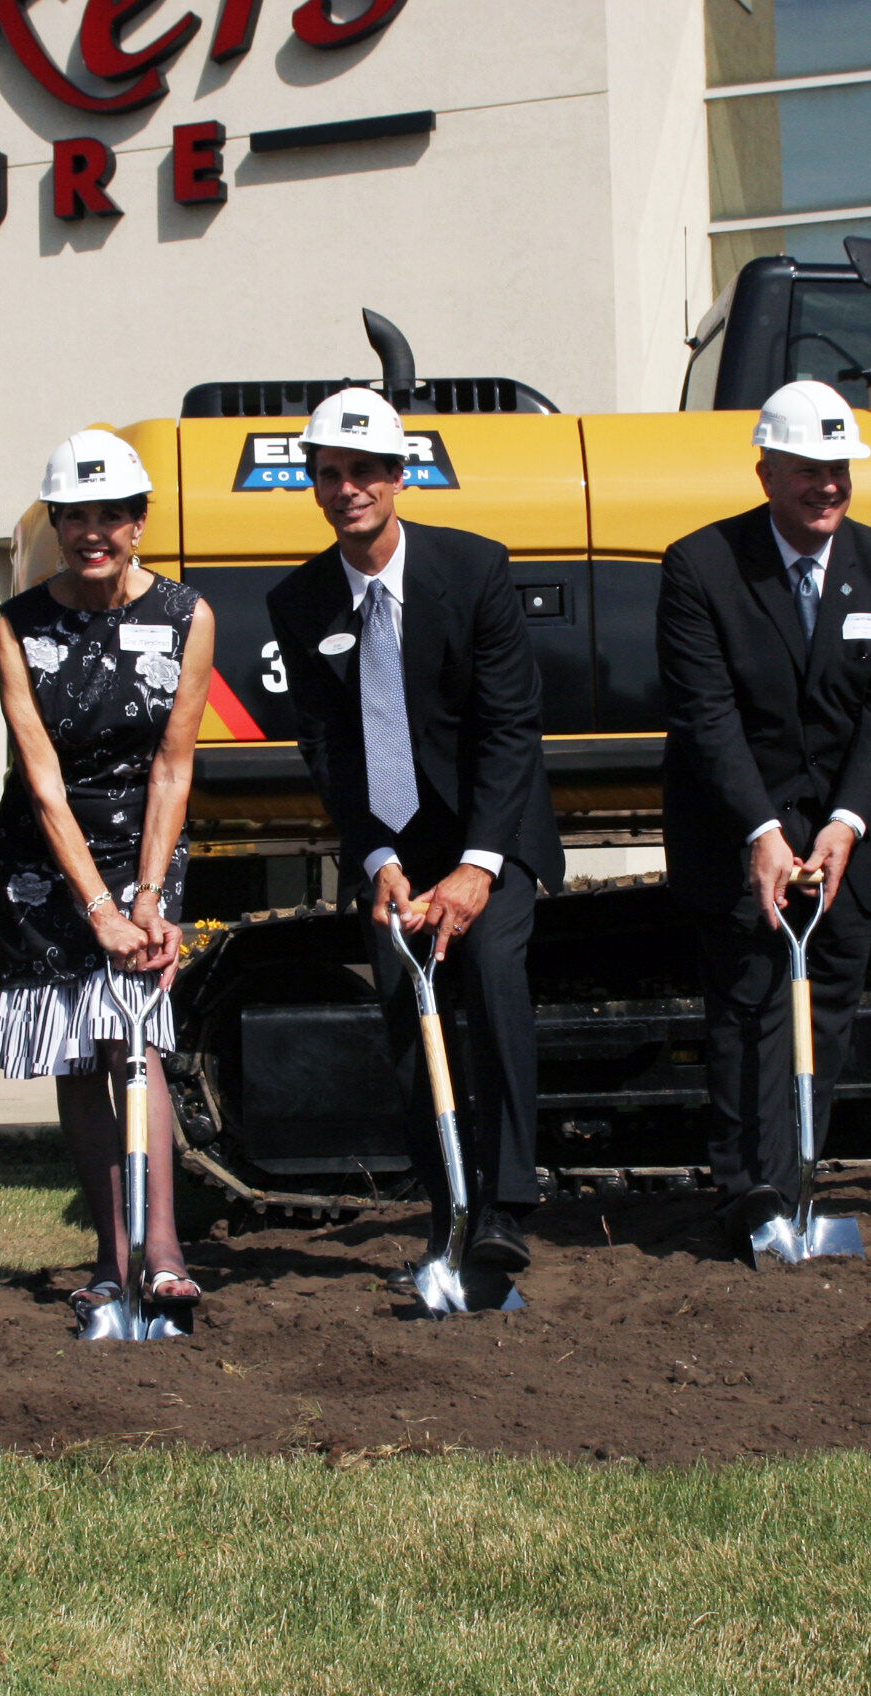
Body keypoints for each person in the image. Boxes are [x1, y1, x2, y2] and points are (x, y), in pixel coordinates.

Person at [266, 388, 564, 1276]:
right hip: (392, 848)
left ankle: (504, 1209)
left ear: (399, 477)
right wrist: (378, 856)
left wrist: (477, 867)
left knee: (496, 987)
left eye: (364, 471)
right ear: (316, 487)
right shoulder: (299, 600)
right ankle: (448, 1213)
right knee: (411, 1023)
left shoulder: (473, 572)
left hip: (492, 831)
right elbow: (325, 745)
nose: (347, 488)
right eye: (330, 474)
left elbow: (512, 726)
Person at [656, 380, 871, 1249]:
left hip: (846, 834)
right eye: (809, 471)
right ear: (767, 470)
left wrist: (847, 822)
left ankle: (800, 1176)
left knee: (829, 1006)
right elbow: (706, 713)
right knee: (746, 1007)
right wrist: (762, 832)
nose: (829, 487)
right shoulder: (702, 566)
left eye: (840, 469)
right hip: (738, 829)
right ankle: (749, 1194)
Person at [0, 432, 213, 1317]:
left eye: (109, 515)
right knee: (78, 1052)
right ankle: (111, 1258)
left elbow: (172, 766)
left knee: (137, 1040)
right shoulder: (18, 625)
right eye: (74, 516)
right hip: (49, 864)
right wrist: (95, 909)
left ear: (138, 522)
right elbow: (40, 778)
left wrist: (145, 899)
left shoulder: (188, 616)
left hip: (144, 846)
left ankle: (162, 1249)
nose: (92, 532)